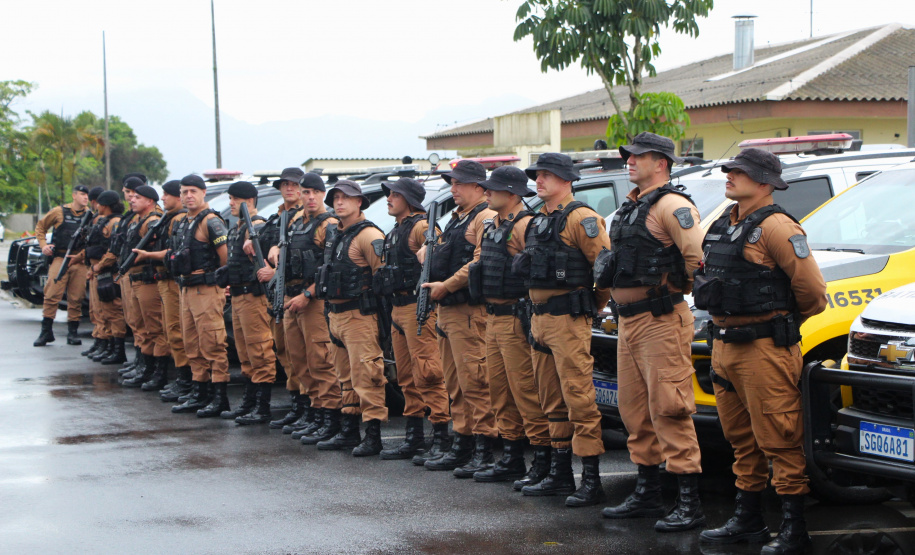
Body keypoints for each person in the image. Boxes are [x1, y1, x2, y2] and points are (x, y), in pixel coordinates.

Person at [696, 148, 827, 554]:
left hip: (764, 349)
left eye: (740, 172)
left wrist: (777, 326)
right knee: (740, 439)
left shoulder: (777, 228)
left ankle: (794, 528)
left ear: (766, 183)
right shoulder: (723, 224)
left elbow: (813, 295)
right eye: (730, 169)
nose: (730, 175)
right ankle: (748, 519)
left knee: (780, 437)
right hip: (724, 346)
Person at [598, 132, 707, 531]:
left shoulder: (672, 205)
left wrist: (674, 294)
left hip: (661, 319)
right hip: (629, 320)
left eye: (637, 156)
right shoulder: (631, 207)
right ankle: (647, 492)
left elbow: (697, 261)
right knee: (634, 410)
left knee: (670, 407)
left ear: (660, 162)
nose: (629, 161)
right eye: (628, 155)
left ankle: (689, 502)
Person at [517, 153, 610, 507]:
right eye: (537, 175)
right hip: (539, 319)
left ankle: (591, 477)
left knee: (579, 398)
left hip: (569, 320)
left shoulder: (582, 218)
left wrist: (591, 307)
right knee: (550, 399)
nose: (539, 181)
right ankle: (559, 473)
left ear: (566, 179)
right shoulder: (539, 220)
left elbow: (604, 270)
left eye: (547, 175)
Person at [470, 166, 553, 487]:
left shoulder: (524, 226)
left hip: (517, 319)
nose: (486, 192)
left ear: (513, 193)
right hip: (492, 317)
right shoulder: (493, 225)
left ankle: (541, 459)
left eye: (493, 188)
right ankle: (512, 456)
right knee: (500, 391)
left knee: (525, 391)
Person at [421, 160, 499, 477]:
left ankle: (484, 449)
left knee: (476, 382)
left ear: (479, 188)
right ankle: (463, 443)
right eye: (451, 183)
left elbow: (478, 264)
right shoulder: (457, 219)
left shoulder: (485, 217)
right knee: (455, 383)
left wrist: (447, 286)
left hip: (469, 312)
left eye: (459, 184)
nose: (453, 189)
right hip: (448, 311)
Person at [373, 177, 451, 462]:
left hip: (418, 308)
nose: (389, 199)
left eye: (395, 194)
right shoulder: (396, 230)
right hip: (397, 308)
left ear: (409, 199)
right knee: (406, 377)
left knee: (428, 373)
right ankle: (414, 435)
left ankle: (441, 436)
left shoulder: (421, 226)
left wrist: (429, 252)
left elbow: (439, 257)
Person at [268, 171, 343, 443]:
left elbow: (330, 267)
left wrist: (307, 295)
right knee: (299, 360)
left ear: (323, 194)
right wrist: (275, 249)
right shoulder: (297, 220)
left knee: (321, 361)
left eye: (315, 192)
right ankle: (314, 413)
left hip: (313, 301)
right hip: (292, 299)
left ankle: (330, 418)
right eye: (306, 192)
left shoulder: (329, 224)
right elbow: (287, 249)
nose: (310, 197)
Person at [314, 179, 387, 457]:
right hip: (336, 315)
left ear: (359, 202)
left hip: (360, 315)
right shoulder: (336, 234)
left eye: (346, 198)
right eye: (335, 198)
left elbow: (383, 277)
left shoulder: (369, 235)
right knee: (344, 376)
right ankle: (349, 430)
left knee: (367, 376)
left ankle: (373, 434)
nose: (339, 202)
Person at [249, 169, 308, 430]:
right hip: (276, 293)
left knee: (304, 356)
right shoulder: (278, 216)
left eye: (295, 185)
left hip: (295, 293)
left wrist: (275, 272)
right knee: (285, 351)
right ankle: (297, 404)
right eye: (285, 184)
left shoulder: (303, 218)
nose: (289, 188)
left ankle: (308, 407)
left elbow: (302, 260)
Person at [169, 174, 231, 418]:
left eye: (193, 191)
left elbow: (225, 257)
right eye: (184, 192)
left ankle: (219, 398)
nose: (188, 196)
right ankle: (199, 392)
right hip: (186, 288)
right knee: (192, 344)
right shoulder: (184, 221)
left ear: (204, 193)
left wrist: (221, 283)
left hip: (206, 289)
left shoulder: (211, 221)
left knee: (213, 344)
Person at [216, 181, 278, 425]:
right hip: (240, 296)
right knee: (245, 353)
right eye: (230, 198)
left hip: (254, 297)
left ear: (249, 201)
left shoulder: (259, 227)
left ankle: (262, 406)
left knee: (259, 350)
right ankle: (250, 401)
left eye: (235, 199)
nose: (230, 203)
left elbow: (270, 254)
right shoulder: (238, 227)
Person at [120, 185, 170, 389]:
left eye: (137, 197)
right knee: (141, 327)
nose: (131, 199)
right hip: (137, 278)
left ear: (150, 201)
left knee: (155, 329)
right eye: (131, 196)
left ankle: (158, 372)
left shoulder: (152, 221)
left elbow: (156, 249)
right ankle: (145, 367)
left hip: (148, 279)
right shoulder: (139, 220)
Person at [33, 184, 91, 347]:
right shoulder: (59, 211)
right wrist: (43, 245)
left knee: (77, 297)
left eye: (87, 195)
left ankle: (72, 332)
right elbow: (41, 227)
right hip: (60, 257)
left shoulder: (90, 215)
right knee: (52, 293)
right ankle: (46, 331)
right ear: (74, 196)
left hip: (79, 260)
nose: (85, 197)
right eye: (81, 194)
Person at [84, 191, 126, 363]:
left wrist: (99, 267)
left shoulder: (115, 222)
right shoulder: (103, 221)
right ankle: (107, 345)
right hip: (99, 271)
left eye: (99, 204)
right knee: (102, 311)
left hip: (109, 271)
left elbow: (112, 250)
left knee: (113, 310)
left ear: (106, 205)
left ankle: (118, 350)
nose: (97, 207)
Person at [81, 186, 107, 358]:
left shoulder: (107, 221)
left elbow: (105, 248)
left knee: (105, 312)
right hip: (94, 267)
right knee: (95, 310)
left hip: (102, 268)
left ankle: (109, 345)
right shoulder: (96, 219)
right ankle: (99, 340)